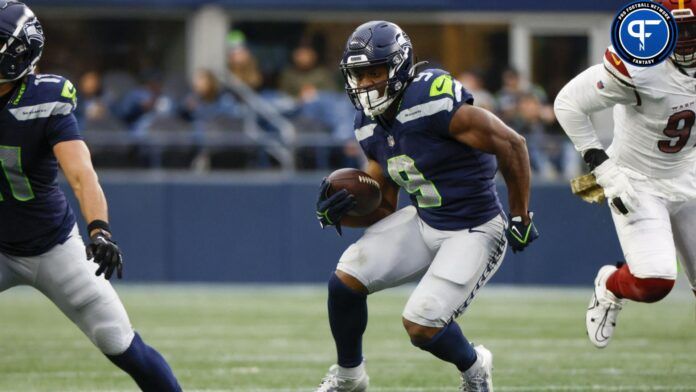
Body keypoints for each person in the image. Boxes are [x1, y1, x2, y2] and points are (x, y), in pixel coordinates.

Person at [314, 21, 539, 391]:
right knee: (344, 282)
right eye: (359, 75)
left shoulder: (431, 98)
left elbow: (512, 143)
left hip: (475, 226)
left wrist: (520, 214)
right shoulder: (368, 124)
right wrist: (340, 212)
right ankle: (350, 377)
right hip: (424, 219)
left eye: (375, 72)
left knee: (422, 324)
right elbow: (384, 206)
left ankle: (475, 365)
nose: (367, 84)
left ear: (399, 68)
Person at [0, 2, 181, 390]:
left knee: (120, 342)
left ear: (18, 54)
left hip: (52, 247)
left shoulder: (45, 99)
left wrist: (99, 230)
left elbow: (81, 173)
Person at [554, 0, 696, 349]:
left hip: (688, 170)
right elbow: (568, 104)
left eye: (693, 29)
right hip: (636, 180)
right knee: (654, 283)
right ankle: (609, 285)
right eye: (679, 31)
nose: (686, 39)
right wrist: (603, 169)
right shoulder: (640, 66)